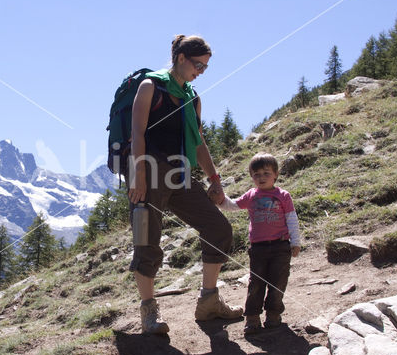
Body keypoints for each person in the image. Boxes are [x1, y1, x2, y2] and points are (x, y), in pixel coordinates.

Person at [128, 34, 243, 335]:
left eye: (205, 67)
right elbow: (137, 134)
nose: (201, 72)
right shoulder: (150, 87)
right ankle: (149, 312)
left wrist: (214, 179)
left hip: (179, 175)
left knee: (219, 229)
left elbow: (199, 142)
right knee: (146, 240)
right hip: (148, 175)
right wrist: (138, 175)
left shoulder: (192, 97)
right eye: (198, 65)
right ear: (180, 58)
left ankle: (208, 302)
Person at [212, 152, 301, 334]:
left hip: (280, 246)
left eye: (266, 173)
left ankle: (273, 314)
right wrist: (220, 200)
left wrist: (295, 242)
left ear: (275, 174)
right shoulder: (251, 195)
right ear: (252, 176)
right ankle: (252, 318)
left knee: (278, 282)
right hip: (258, 248)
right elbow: (233, 205)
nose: (261, 178)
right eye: (257, 174)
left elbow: (291, 219)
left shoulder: (283, 195)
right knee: (256, 284)